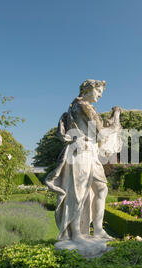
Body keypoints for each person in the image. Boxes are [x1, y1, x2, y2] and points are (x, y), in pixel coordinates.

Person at [46, 79, 122, 243]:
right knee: (78, 193)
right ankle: (76, 233)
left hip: (92, 153)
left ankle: (99, 229)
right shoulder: (81, 106)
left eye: (101, 92)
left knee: (101, 188)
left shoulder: (89, 108)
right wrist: (116, 120)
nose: (100, 95)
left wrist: (113, 119)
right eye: (99, 91)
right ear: (88, 89)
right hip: (80, 152)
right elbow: (100, 132)